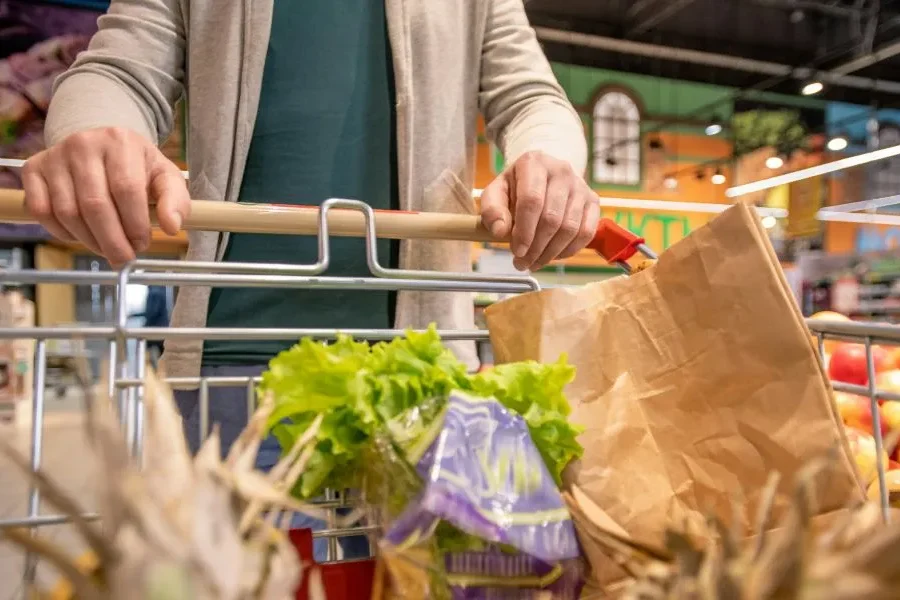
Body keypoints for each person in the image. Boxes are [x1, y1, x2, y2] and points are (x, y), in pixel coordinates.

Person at [23, 0, 598, 557]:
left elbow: (531, 95)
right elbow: (119, 68)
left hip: (425, 365)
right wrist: (94, 130)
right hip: (234, 369)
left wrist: (549, 160)